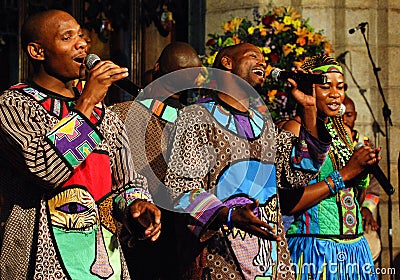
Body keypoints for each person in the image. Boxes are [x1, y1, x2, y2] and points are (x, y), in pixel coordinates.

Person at [0, 9, 161, 279]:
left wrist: (137, 205)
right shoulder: (15, 105)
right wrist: (86, 103)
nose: (82, 44)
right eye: (67, 37)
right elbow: (45, 169)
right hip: (40, 262)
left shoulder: (105, 116)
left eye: (82, 36)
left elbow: (126, 184)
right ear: (37, 51)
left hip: (103, 263)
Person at [163, 42, 332, 280]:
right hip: (220, 259)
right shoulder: (196, 117)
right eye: (253, 55)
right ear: (227, 62)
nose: (262, 62)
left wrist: (308, 108)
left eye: (264, 58)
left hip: (271, 259)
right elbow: (180, 188)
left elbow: (297, 173)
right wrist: (228, 215)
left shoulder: (264, 123)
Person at [110, 41, 203, 279]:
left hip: (145, 232)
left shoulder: (119, 113)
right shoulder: (198, 123)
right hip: (157, 233)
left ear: (157, 67)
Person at [281, 54, 379, 279]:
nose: (336, 94)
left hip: (355, 250)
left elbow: (356, 199)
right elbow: (288, 203)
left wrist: (363, 173)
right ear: (308, 88)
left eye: (341, 87)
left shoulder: (345, 134)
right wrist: (345, 174)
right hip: (315, 250)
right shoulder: (293, 130)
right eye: (326, 87)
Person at [343, 95, 381, 261]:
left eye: (349, 115)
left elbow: (374, 187)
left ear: (356, 116)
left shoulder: (365, 145)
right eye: (341, 115)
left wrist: (367, 209)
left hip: (357, 212)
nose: (345, 119)